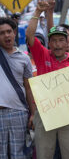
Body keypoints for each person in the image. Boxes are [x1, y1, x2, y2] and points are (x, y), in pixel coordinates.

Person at [26, 0, 69, 159]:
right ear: (49, 43)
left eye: (61, 40)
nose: (58, 44)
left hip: (68, 114)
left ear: (68, 43)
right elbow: (29, 35)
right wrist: (38, 12)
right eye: (54, 40)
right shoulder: (42, 55)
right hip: (45, 113)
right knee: (44, 154)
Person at [0, 17, 35, 159]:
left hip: (19, 112)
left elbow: (28, 88)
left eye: (9, 31)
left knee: (18, 155)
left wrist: (32, 114)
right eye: (2, 33)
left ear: (14, 33)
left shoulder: (24, 58)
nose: (6, 35)